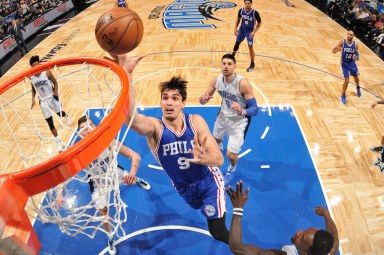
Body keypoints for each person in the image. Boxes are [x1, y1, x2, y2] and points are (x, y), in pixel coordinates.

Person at [111, 54, 230, 244]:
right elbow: (132, 119)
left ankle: (245, 249)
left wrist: (203, 159)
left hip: (208, 181)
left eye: (175, 98)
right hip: (183, 188)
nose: (169, 102)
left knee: (217, 231)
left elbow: (218, 159)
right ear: (160, 103)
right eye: (165, 98)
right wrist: (127, 73)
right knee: (203, 214)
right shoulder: (155, 128)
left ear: (183, 103)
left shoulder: (195, 121)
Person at [72, 115, 151, 255]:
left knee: (131, 179)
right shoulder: (77, 152)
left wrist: (132, 173)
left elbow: (135, 156)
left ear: (96, 127)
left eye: (90, 125)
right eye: (83, 128)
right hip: (98, 184)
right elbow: (64, 175)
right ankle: (110, 236)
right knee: (104, 213)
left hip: (114, 174)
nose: (88, 130)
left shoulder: (107, 141)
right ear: (79, 133)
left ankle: (138, 180)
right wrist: (59, 194)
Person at [226, 181, 339, 255]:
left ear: (304, 253)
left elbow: (237, 248)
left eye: (302, 238)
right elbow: (334, 235)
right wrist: (326, 213)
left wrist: (238, 208)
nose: (298, 232)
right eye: (304, 231)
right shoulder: (328, 250)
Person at [199, 54, 258, 184]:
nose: (226, 66)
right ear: (221, 65)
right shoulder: (217, 80)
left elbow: (255, 109)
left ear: (235, 67)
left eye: (229, 64)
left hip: (239, 121)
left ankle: (231, 169)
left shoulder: (242, 84)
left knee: (231, 155)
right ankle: (219, 149)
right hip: (223, 116)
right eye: (224, 63)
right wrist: (202, 100)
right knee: (215, 141)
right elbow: (204, 100)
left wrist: (243, 110)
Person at [29, 55, 71, 152]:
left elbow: (55, 83)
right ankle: (58, 141)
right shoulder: (31, 77)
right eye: (34, 65)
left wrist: (56, 91)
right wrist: (33, 99)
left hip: (52, 98)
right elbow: (33, 89)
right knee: (50, 123)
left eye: (37, 64)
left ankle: (66, 115)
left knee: (59, 114)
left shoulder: (46, 72)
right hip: (43, 102)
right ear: (31, 67)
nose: (36, 66)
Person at [332, 30, 362, 105]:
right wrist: (338, 49)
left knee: (356, 78)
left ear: (353, 36)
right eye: (349, 34)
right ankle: (343, 95)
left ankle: (358, 87)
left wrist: (356, 57)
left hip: (352, 63)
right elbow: (334, 51)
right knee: (347, 80)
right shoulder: (342, 42)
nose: (349, 36)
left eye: (351, 35)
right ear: (347, 35)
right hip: (344, 64)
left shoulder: (355, 45)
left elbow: (357, 57)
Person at [232, 0, 262, 72]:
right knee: (237, 43)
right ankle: (232, 57)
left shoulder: (255, 13)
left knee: (250, 47)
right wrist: (235, 28)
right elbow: (238, 19)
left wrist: (254, 32)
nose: (247, 4)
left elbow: (259, 23)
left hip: (249, 32)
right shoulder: (241, 10)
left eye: (249, 3)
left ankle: (252, 63)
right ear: (244, 4)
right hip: (242, 30)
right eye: (246, 3)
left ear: (251, 4)